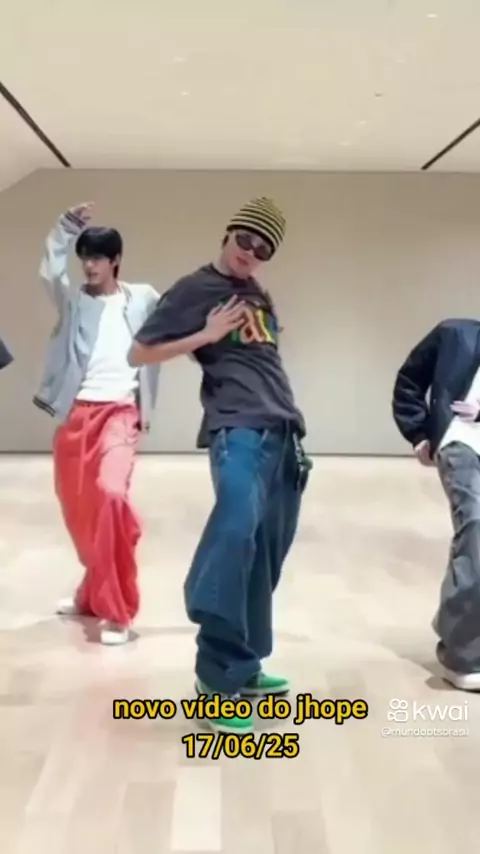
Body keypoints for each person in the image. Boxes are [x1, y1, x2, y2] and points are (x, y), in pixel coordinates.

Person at [129, 197, 311, 733]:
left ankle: (244, 664)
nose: (250, 253)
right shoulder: (195, 289)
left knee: (264, 556)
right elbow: (140, 352)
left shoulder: (257, 293)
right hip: (238, 428)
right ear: (228, 233)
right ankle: (214, 676)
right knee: (233, 536)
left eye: (263, 249)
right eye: (245, 240)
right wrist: (204, 338)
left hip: (283, 431)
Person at [34, 202, 162, 645]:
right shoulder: (73, 302)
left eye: (98, 258)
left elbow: (179, 314)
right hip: (76, 415)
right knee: (82, 514)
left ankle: (117, 611)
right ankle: (91, 591)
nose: (89, 266)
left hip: (120, 413)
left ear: (116, 260)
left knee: (110, 496)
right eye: (84, 258)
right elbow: (50, 273)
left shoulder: (142, 298)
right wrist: (65, 228)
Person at [392, 317, 480, 691]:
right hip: (462, 443)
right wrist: (418, 431)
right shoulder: (455, 333)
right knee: (476, 530)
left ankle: (456, 624)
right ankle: (462, 655)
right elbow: (410, 380)